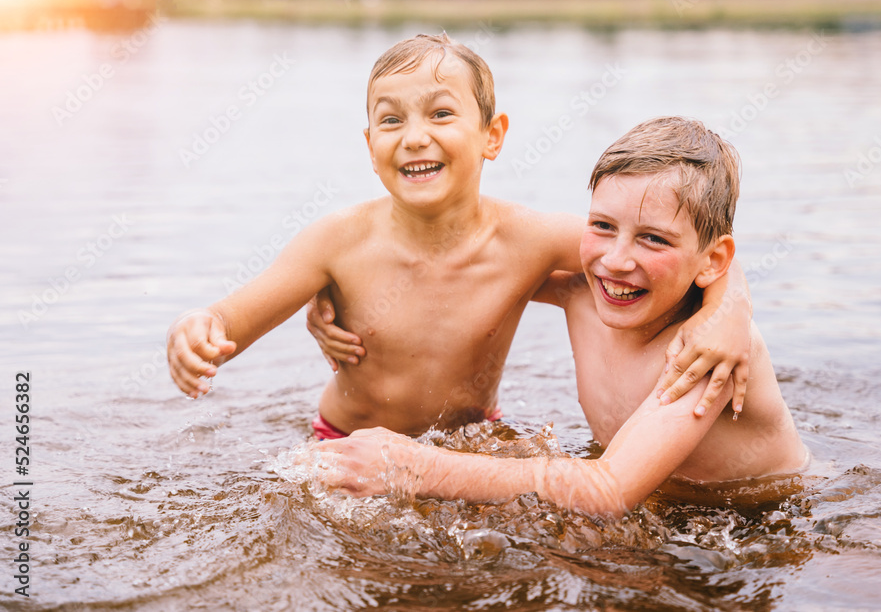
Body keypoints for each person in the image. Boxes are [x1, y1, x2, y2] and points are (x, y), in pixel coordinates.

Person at [167, 34, 752, 441]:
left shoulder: (530, 239)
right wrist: (195, 329)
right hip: (345, 437)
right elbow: (230, 320)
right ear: (370, 146)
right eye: (391, 120)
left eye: (441, 114)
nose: (414, 138)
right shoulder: (335, 242)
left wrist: (723, 317)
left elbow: (678, 255)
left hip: (472, 439)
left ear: (491, 135)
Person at [303, 117, 808, 517]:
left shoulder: (707, 351)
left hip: (765, 514)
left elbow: (608, 489)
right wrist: (337, 289)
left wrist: (415, 467)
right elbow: (449, 270)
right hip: (661, 500)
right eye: (603, 226)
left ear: (712, 262)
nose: (616, 260)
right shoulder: (585, 292)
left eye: (653, 238)